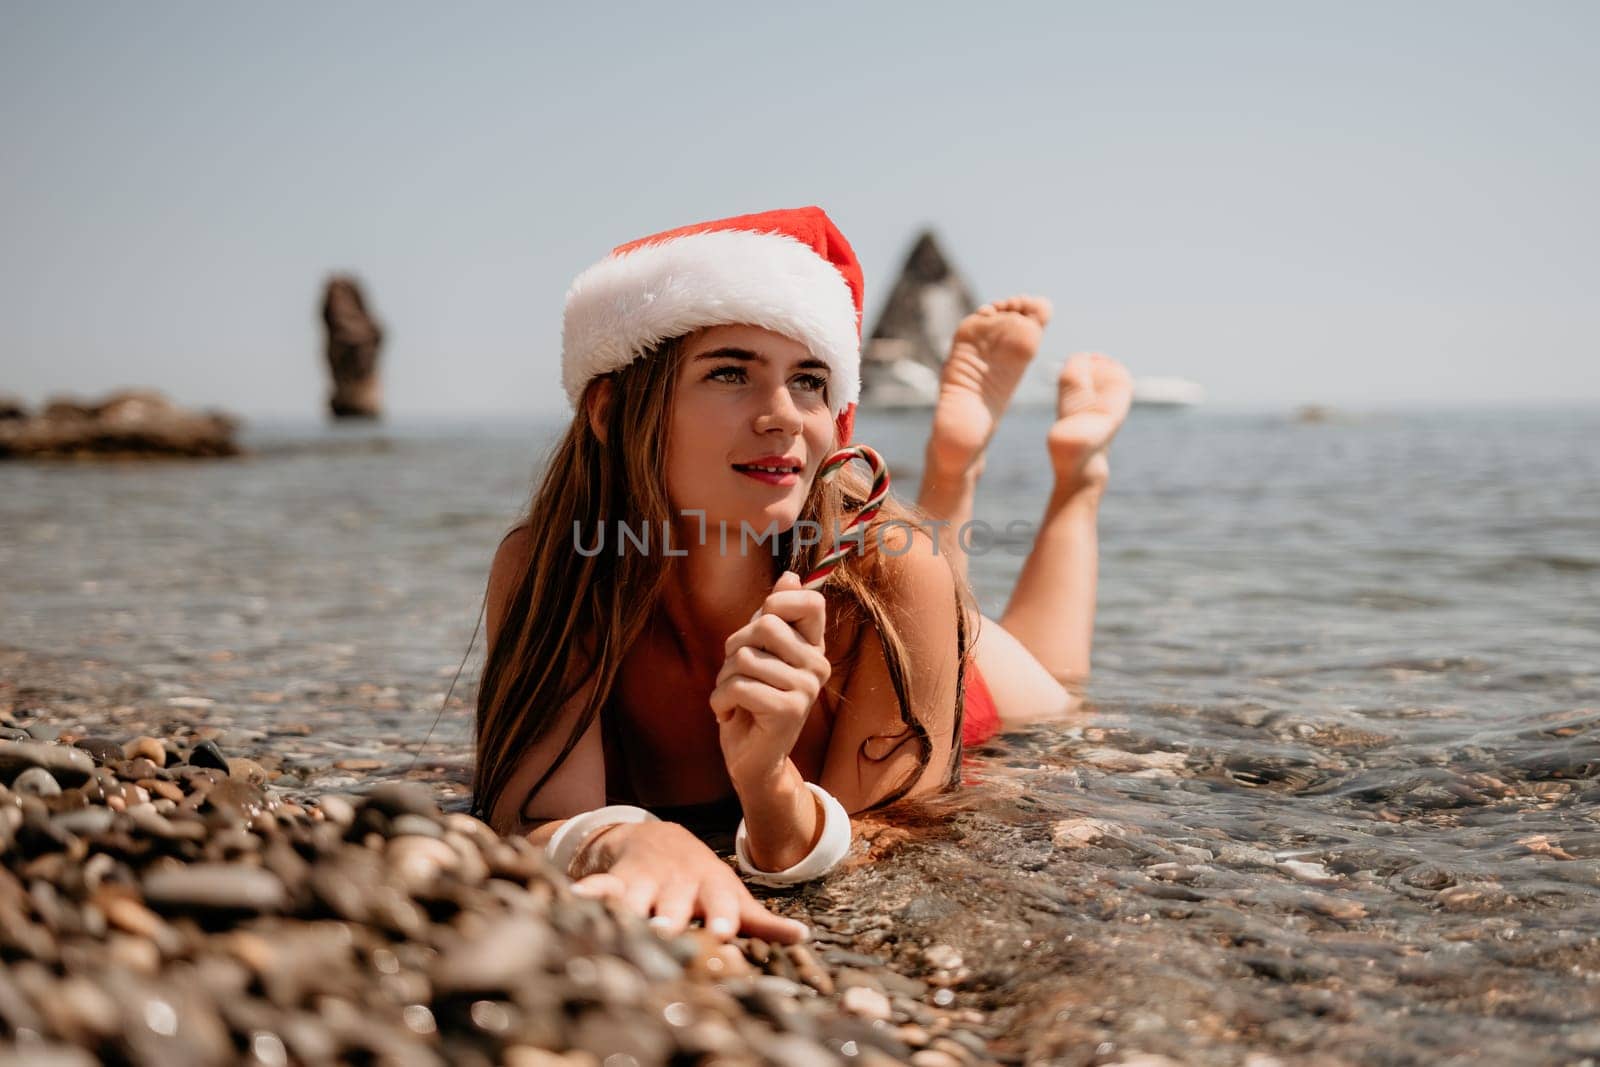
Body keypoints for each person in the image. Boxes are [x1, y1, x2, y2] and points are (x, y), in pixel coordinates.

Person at [473, 207, 1131, 945]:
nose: (783, 415)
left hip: (923, 670)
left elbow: (889, 848)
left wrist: (771, 786)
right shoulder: (556, 565)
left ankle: (1071, 480)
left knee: (1058, 697)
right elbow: (529, 815)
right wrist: (626, 839)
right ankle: (955, 467)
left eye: (811, 380)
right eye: (730, 372)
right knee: (932, 574)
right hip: (880, 605)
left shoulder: (890, 575)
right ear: (611, 407)